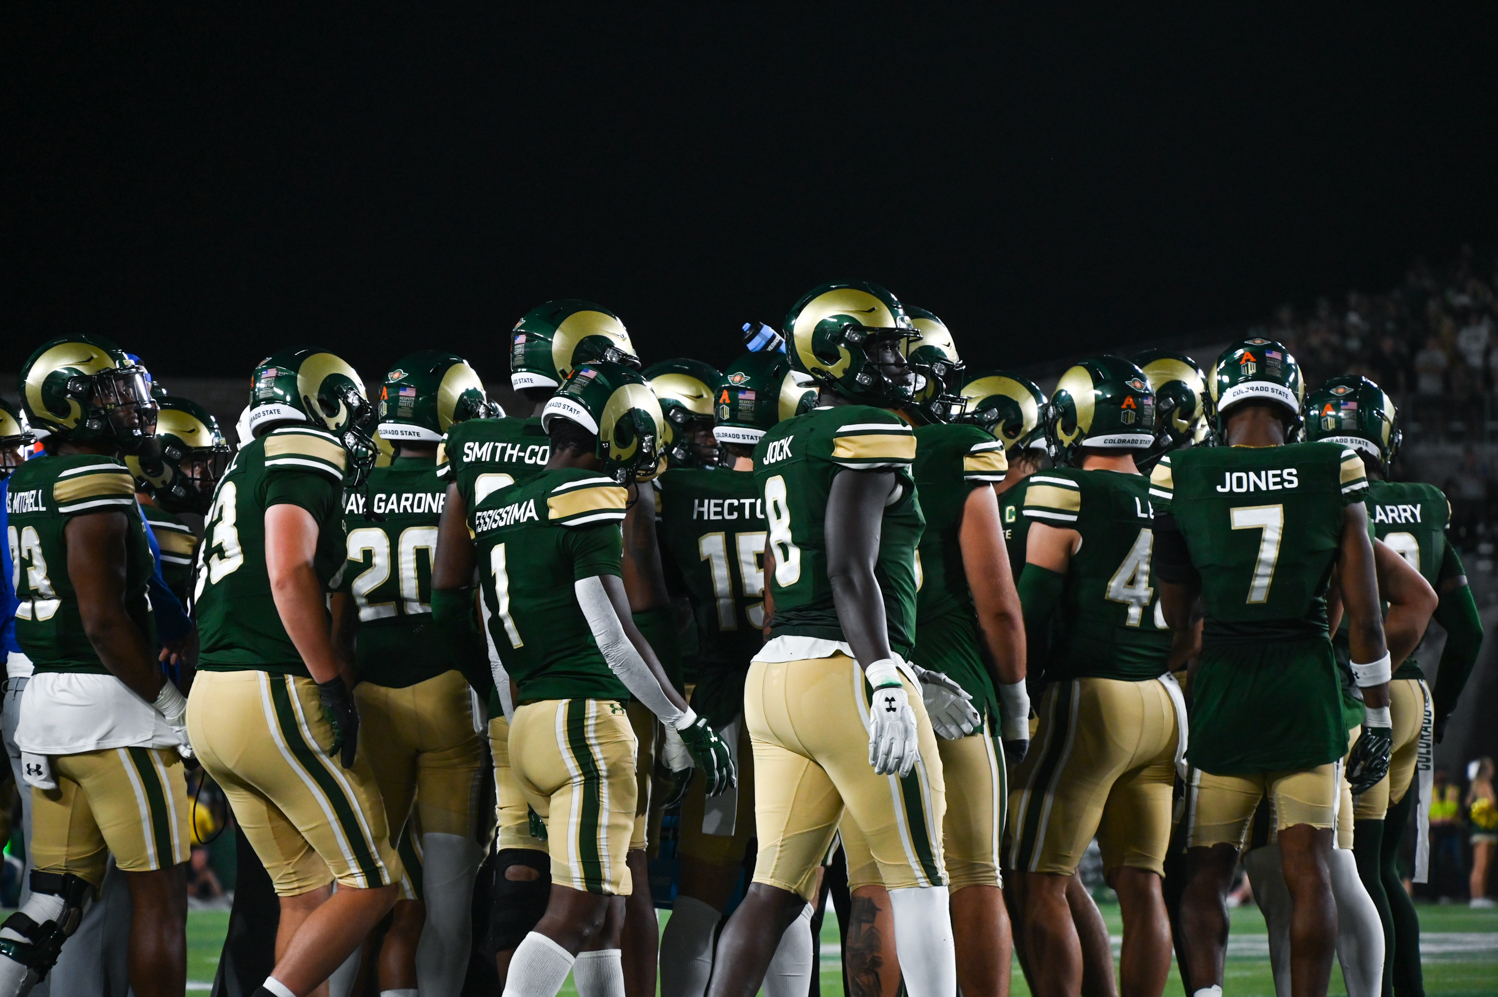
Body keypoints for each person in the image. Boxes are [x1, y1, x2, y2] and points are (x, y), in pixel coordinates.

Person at [443, 359, 732, 997]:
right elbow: (614, 635)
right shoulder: (589, 496)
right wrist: (684, 720)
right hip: (583, 724)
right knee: (575, 911)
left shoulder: (498, 505)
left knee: (603, 913)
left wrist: (516, 718)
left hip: (528, 723)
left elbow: (491, 630)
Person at [708, 281, 955, 997]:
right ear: (835, 350)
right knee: (920, 880)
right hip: (844, 668)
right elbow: (850, 570)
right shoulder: (872, 428)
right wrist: (883, 673)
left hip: (777, 676)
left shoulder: (784, 438)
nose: (893, 359)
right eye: (878, 345)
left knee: (773, 890)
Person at [1153, 338, 1392, 997]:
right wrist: (1375, 714)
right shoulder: (1332, 466)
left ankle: (1207, 993)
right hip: (1305, 690)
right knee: (1311, 870)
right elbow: (1367, 618)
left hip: (1224, 690)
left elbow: (1176, 617)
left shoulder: (1184, 472)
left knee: (1204, 870)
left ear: (1220, 400)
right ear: (1294, 401)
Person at [188, 346, 405, 997]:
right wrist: (332, 681)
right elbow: (288, 572)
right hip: (271, 689)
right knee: (374, 880)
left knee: (302, 893)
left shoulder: (240, 467)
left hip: (214, 695)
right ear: (322, 403)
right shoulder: (299, 448)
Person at [832, 309, 1027, 997]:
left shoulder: (823, 444)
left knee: (874, 880)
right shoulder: (958, 447)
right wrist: (1016, 700)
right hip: (957, 689)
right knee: (975, 872)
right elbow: (999, 601)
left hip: (859, 686)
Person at [0, 336, 192, 997]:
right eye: (110, 393)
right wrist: (171, 704)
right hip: (114, 711)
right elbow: (105, 621)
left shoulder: (26, 479)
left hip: (45, 701)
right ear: (68, 402)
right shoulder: (98, 478)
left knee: (52, 900)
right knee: (162, 896)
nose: (131, 406)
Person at [1010, 357, 1185, 997]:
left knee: (1037, 878)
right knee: (1142, 884)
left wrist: (1012, 691)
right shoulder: (1175, 491)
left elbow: (1030, 608)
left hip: (1092, 698)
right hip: (1163, 702)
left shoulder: (1063, 490)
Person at [1303, 374, 1482, 992]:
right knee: (1382, 871)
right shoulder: (1426, 503)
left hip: (1353, 696)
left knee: (1354, 872)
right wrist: (1447, 708)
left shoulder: (1320, 495)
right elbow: (1469, 631)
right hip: (1414, 697)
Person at [654, 349, 821, 997]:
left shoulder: (681, 493)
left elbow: (658, 604)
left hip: (718, 702)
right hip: (798, 697)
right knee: (788, 893)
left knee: (698, 894)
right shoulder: (809, 481)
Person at [332, 351, 498, 997]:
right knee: (450, 890)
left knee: (358, 881)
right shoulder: (469, 486)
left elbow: (334, 614)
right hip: (452, 691)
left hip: (369, 695)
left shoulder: (352, 487)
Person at [960, 368, 1120, 997]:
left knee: (1018, 872)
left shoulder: (1025, 503)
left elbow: (1019, 615)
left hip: (1034, 700)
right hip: (1077, 694)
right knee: (1051, 872)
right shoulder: (1027, 496)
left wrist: (1014, 692)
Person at [127, 395, 230, 602]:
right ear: (152, 466)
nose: (209, 479)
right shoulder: (169, 532)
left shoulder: (114, 510)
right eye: (197, 465)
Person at [1469, 757, 1497, 908]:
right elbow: (1491, 802)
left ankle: (1480, 896)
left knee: (1484, 865)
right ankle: (1477, 897)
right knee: (1481, 864)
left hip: (1487, 829)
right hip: (1482, 829)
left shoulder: (1475, 785)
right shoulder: (1483, 784)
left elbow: (1468, 803)